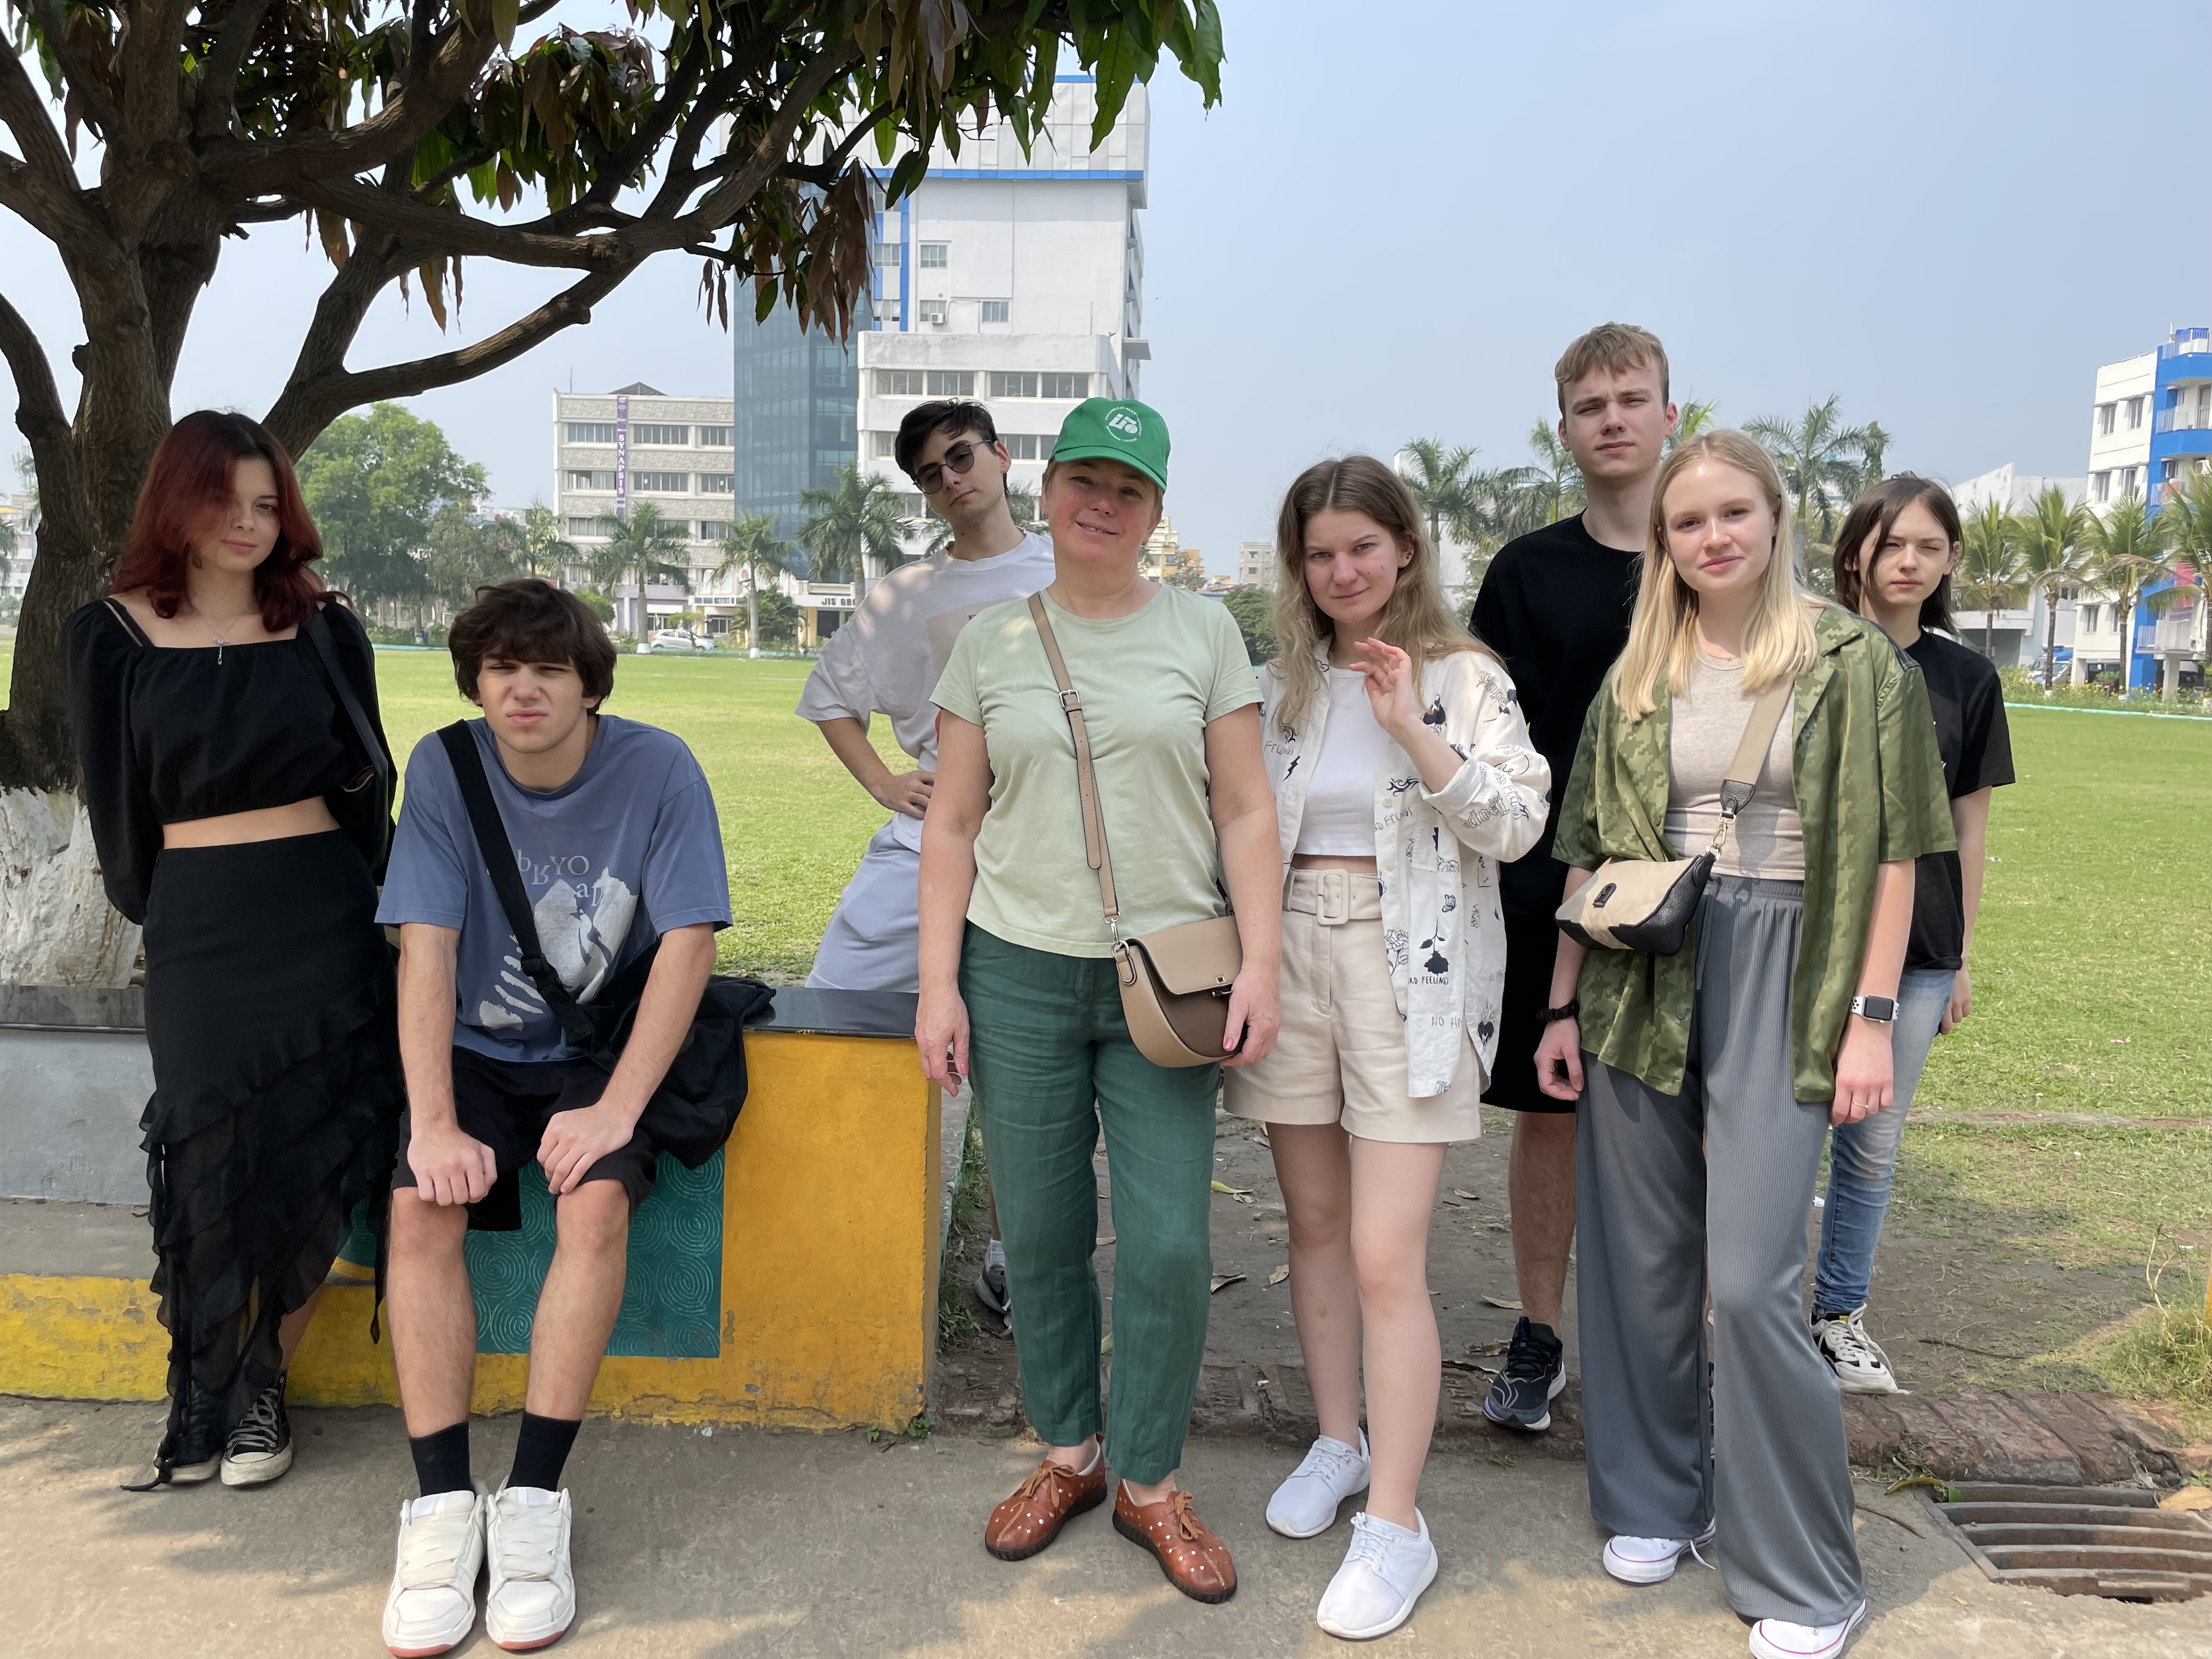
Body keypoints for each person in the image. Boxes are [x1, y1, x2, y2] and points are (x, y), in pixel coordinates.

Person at [1533, 431, 1951, 1659]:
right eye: (1687, 522)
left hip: (1791, 958)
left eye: (1732, 513)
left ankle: (1807, 1573)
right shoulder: (1639, 671)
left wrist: (1872, 1017)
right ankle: (1658, 1497)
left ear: (1776, 518)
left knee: (1756, 1275)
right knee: (1640, 1254)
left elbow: (1897, 856)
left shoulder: (1853, 660)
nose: (1711, 537)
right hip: (1641, 968)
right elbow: (1589, 854)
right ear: (1663, 543)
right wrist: (1558, 1010)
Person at [917, 397, 1282, 1604]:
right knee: (1042, 1232)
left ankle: (1152, 1478)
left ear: (1156, 510)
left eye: (1129, 489)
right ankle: (1069, 1452)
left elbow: (1245, 807)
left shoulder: (1204, 631)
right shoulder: (991, 642)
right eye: (1085, 479)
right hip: (1016, 968)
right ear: (1049, 487)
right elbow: (952, 823)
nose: (1102, 504)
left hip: (1168, 978)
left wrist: (1264, 963)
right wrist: (938, 987)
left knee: (1170, 1242)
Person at [374, 580, 731, 1657]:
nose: (523, 690)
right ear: (475, 681)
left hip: (601, 1048)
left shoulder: (658, 767)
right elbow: (426, 946)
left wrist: (617, 1110)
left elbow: (689, 942)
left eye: (549, 669)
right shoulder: (447, 765)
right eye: (501, 669)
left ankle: (532, 1502)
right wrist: (434, 1123)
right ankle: (443, 1505)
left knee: (594, 1208)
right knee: (417, 1212)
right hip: (477, 1049)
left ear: (589, 685)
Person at [1224, 457, 1548, 1639]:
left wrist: (1411, 726)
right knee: (1312, 1224)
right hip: (1289, 949)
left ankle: (1398, 1522)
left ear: (1406, 547)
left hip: (1413, 963)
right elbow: (1236, 823)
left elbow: (1517, 825)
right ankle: (1339, 1439)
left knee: (1382, 1254)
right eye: (1319, 554)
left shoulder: (1464, 678)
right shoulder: (1279, 684)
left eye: (1363, 546)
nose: (1342, 570)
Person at [62, 411, 402, 1492]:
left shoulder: (325, 627)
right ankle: (203, 1392)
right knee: (208, 1155)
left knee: (311, 1154)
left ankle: (260, 1390)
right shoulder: (108, 635)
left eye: (268, 504)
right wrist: (169, 915)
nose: (251, 524)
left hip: (325, 914)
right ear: (177, 502)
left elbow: (369, 773)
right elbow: (118, 810)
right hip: (200, 925)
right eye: (227, 502)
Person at [796, 398, 1054, 1319]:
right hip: (926, 837)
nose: (951, 479)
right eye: (930, 474)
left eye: (961, 457)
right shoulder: (904, 594)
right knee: (832, 1007)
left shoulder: (1067, 566)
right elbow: (832, 696)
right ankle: (827, 1213)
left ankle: (1016, 1259)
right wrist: (881, 781)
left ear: (1002, 456)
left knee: (1025, 1066)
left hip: (1045, 844)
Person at [1469, 322, 1678, 1432]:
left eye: (1632, 400)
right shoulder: (1526, 572)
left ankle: (1663, 1351)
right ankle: (1539, 1335)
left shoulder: (1711, 558)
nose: (1613, 420)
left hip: (1693, 883)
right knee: (1549, 1111)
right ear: (1565, 430)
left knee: (1676, 1122)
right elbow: (1486, 731)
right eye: (1591, 405)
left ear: (1669, 415)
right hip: (1548, 887)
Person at [1815, 476, 2012, 1392]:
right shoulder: (1812, 657)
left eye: (1930, 547)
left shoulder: (1968, 679)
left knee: (1873, 1145)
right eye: (1892, 543)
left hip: (1921, 951)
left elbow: (1970, 829)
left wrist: (1961, 956)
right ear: (1855, 550)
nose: (1909, 562)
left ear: (1950, 561)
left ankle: (1838, 1316)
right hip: (1805, 938)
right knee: (1777, 1139)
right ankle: (1749, 1318)